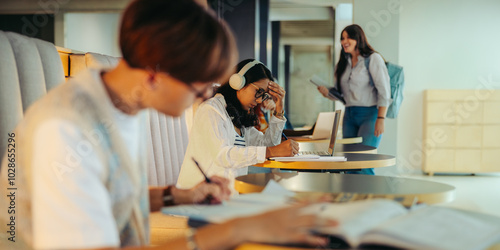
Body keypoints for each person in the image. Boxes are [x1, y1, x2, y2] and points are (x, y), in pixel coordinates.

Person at [0, 0, 335, 249]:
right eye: (199, 85)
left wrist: (179, 195)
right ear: (154, 73)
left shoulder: (119, 104)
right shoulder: (67, 130)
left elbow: (111, 197)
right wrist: (236, 229)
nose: (208, 94)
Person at [177, 59, 299, 191]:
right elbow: (222, 155)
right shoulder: (211, 110)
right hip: (198, 197)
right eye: (259, 92)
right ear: (238, 82)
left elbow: (269, 144)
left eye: (263, 96)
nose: (259, 100)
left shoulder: (239, 117)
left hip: (226, 194)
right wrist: (270, 151)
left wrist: (279, 111)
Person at [317, 24, 391, 175]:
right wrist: (328, 93)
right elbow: (344, 96)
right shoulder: (343, 63)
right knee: (349, 163)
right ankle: (352, 197)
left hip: (370, 115)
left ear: (358, 39)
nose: (344, 41)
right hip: (349, 115)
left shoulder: (373, 59)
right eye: (342, 38)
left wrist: (381, 118)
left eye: (348, 37)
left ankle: (369, 197)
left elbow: (384, 91)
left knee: (363, 162)